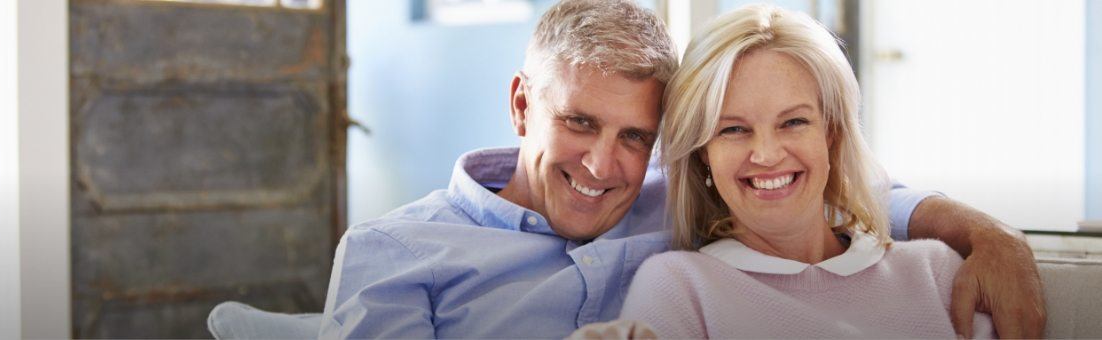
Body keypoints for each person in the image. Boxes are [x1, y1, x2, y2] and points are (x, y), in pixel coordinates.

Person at [318, 0, 1044, 338]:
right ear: (519, 104)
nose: (604, 165)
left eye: (636, 136)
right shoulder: (392, 254)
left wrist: (988, 235)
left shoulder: (681, 197)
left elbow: (826, 188)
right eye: (578, 123)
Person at [577, 5, 998, 338]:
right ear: (704, 152)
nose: (766, 154)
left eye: (793, 122)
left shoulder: (936, 271)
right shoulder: (678, 288)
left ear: (830, 132)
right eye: (734, 129)